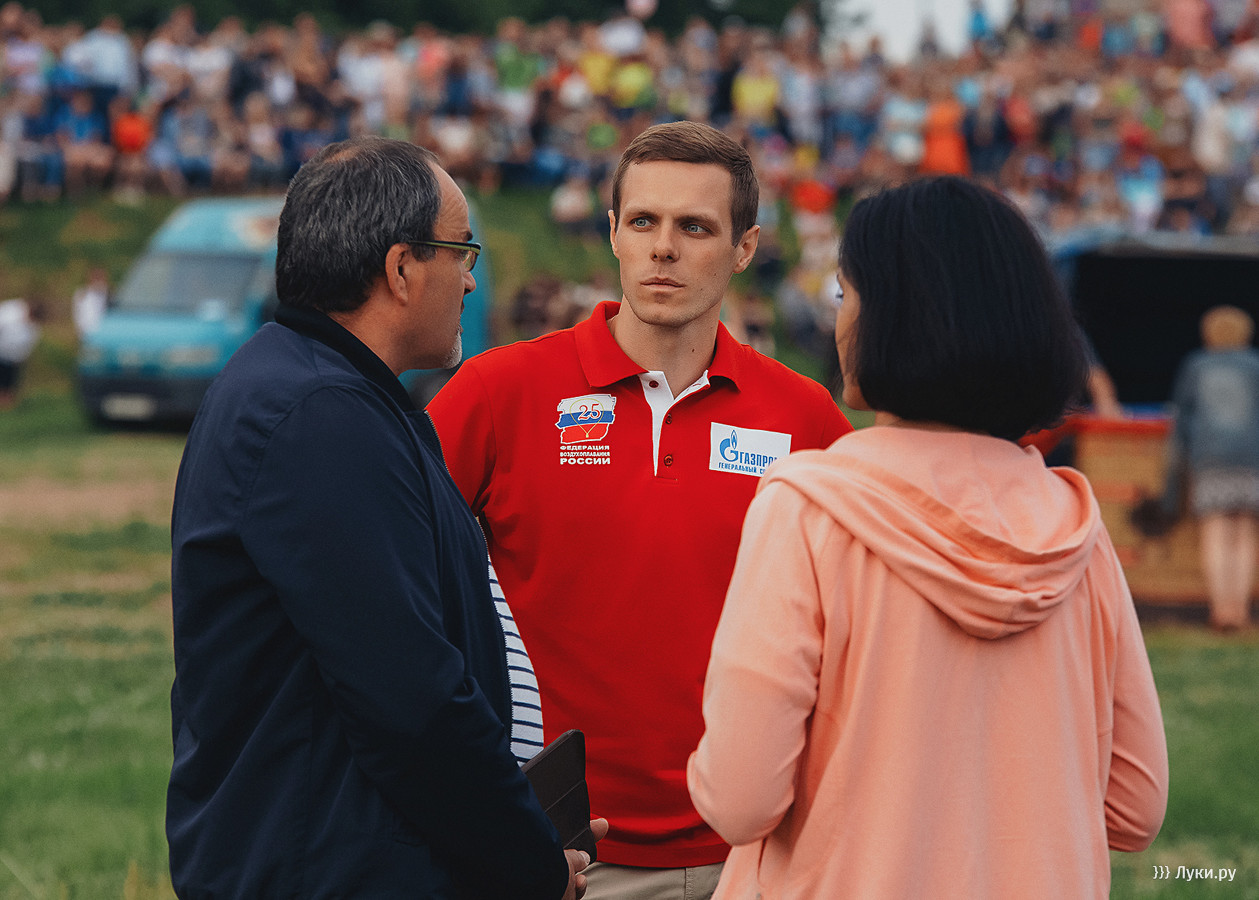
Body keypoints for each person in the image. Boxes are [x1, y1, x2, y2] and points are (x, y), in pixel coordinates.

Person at [688, 176, 1169, 899]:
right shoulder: (1077, 527)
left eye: (844, 295)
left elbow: (739, 799)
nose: (839, 319)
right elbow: (1135, 806)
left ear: (893, 315)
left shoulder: (806, 507)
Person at [168, 135, 602, 899]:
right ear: (402, 269)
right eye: (461, 250)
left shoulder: (327, 392)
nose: (470, 279)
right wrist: (527, 861)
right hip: (326, 870)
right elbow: (408, 697)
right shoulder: (319, 415)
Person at [427, 120, 852, 900]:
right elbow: (391, 585)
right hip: (561, 855)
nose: (663, 248)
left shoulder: (806, 418)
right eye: (644, 221)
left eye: (695, 227)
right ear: (613, 232)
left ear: (745, 248)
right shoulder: (496, 392)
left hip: (757, 850)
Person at [1162, 305, 1259, 631]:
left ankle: (1221, 612)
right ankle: (1240, 612)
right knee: (1245, 534)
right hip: (1252, 460)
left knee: (1216, 533)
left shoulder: (1196, 365)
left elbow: (1180, 418)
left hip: (1209, 459)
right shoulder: (1255, 365)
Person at [0, 296, 45, 409]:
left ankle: (7, 403)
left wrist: (22, 356)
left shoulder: (35, 325)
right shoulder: (10, 311)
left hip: (16, 357)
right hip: (2, 352)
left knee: (10, 381)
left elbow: (31, 341)